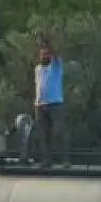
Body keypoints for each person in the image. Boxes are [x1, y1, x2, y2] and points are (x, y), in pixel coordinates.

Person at [33, 37, 68, 166]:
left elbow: (55, 54)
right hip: (40, 104)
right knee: (43, 134)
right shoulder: (37, 69)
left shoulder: (56, 66)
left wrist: (49, 43)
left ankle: (64, 160)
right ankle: (47, 160)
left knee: (58, 132)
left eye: (47, 54)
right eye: (42, 54)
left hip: (55, 103)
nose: (44, 56)